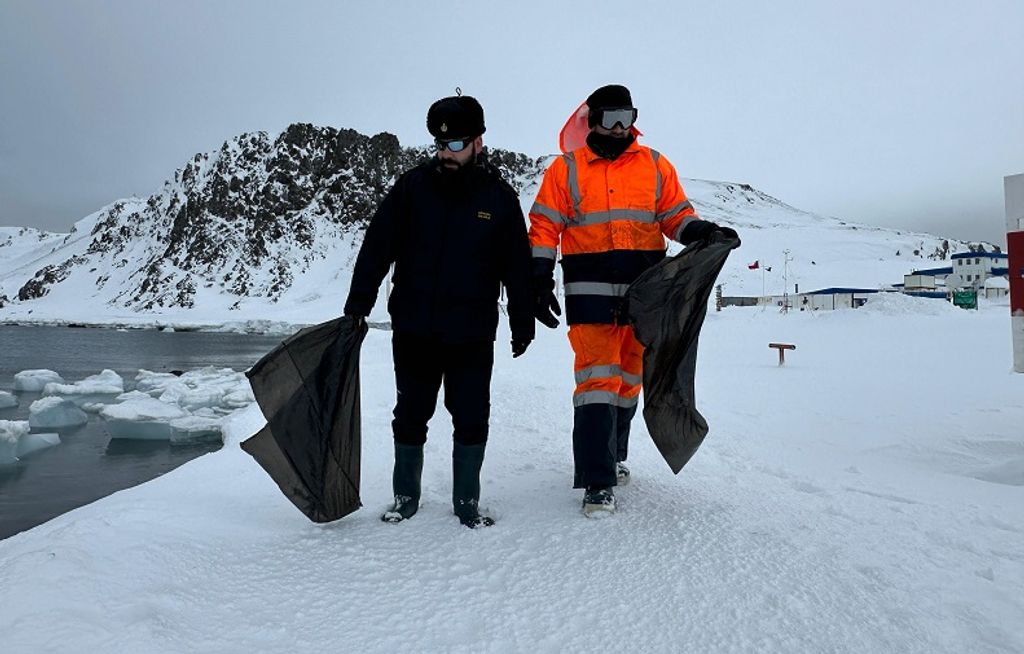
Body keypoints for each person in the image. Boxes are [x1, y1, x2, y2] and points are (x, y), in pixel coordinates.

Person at [528, 84, 737, 516]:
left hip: (645, 293)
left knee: (628, 380)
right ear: (593, 120)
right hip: (590, 293)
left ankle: (615, 455)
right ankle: (596, 480)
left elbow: (675, 215)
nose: (621, 127)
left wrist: (697, 231)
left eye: (628, 116)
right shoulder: (565, 171)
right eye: (611, 118)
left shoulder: (655, 165)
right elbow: (545, 226)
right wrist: (538, 274)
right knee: (596, 381)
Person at [344, 93, 534, 528]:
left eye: (455, 145)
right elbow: (376, 249)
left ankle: (466, 502)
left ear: (477, 143)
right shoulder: (411, 189)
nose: (445, 153)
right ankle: (405, 496)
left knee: (471, 415)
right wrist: (358, 305)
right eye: (438, 145)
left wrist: (522, 321)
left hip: (471, 333)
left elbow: (517, 266)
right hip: (414, 329)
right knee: (410, 412)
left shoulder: (499, 198)